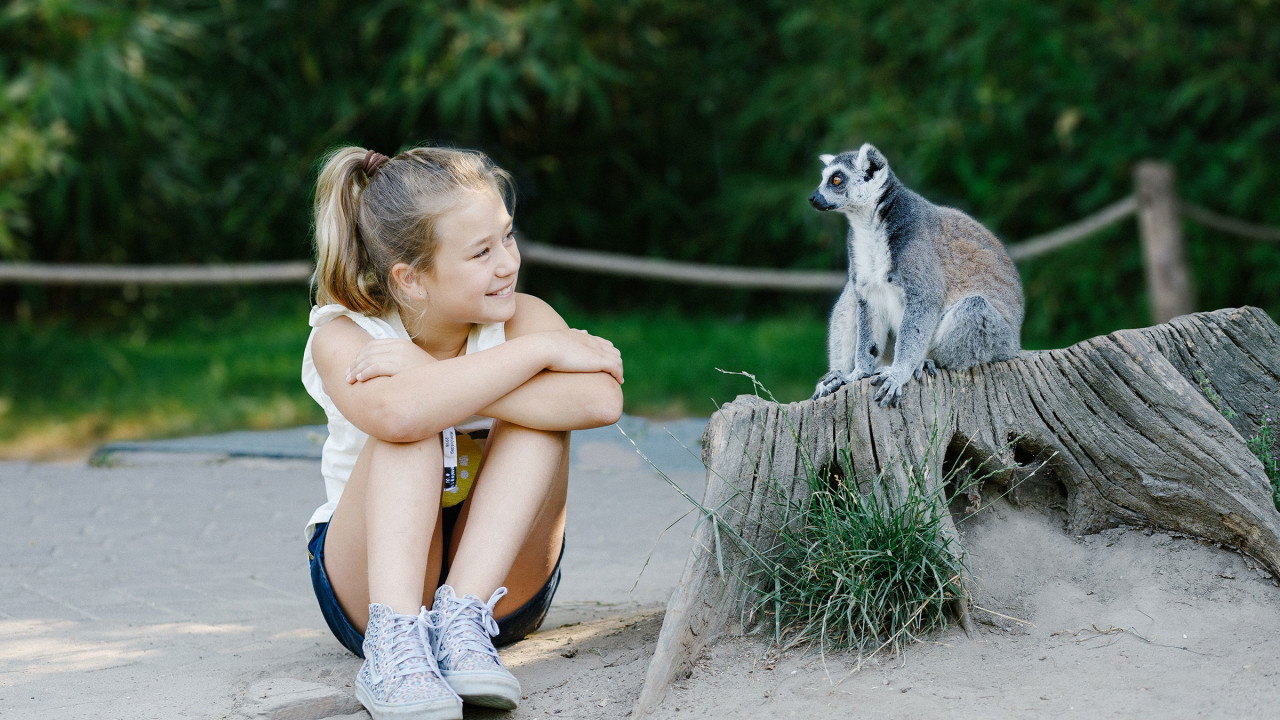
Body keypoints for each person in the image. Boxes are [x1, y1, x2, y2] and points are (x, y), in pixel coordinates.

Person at [300, 145, 624, 720]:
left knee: (539, 422)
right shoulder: (347, 335)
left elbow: (601, 400)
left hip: (499, 587)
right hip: (371, 585)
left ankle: (460, 620)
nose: (507, 263)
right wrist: (543, 355)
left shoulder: (521, 320)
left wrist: (436, 371)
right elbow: (398, 416)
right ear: (412, 278)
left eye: (507, 236)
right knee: (412, 423)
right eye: (480, 252)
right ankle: (395, 648)